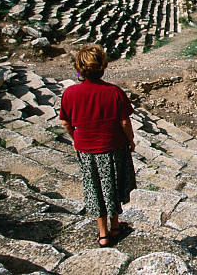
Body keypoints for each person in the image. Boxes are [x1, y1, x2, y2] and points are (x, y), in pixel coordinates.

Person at [60, 44, 136, 248]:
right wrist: (131, 141)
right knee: (114, 186)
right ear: (102, 67)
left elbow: (66, 123)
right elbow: (124, 123)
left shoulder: (70, 93)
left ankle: (103, 234)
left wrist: (76, 139)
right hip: (113, 147)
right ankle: (115, 226)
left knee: (95, 189)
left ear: (79, 68)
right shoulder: (114, 92)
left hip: (86, 149)